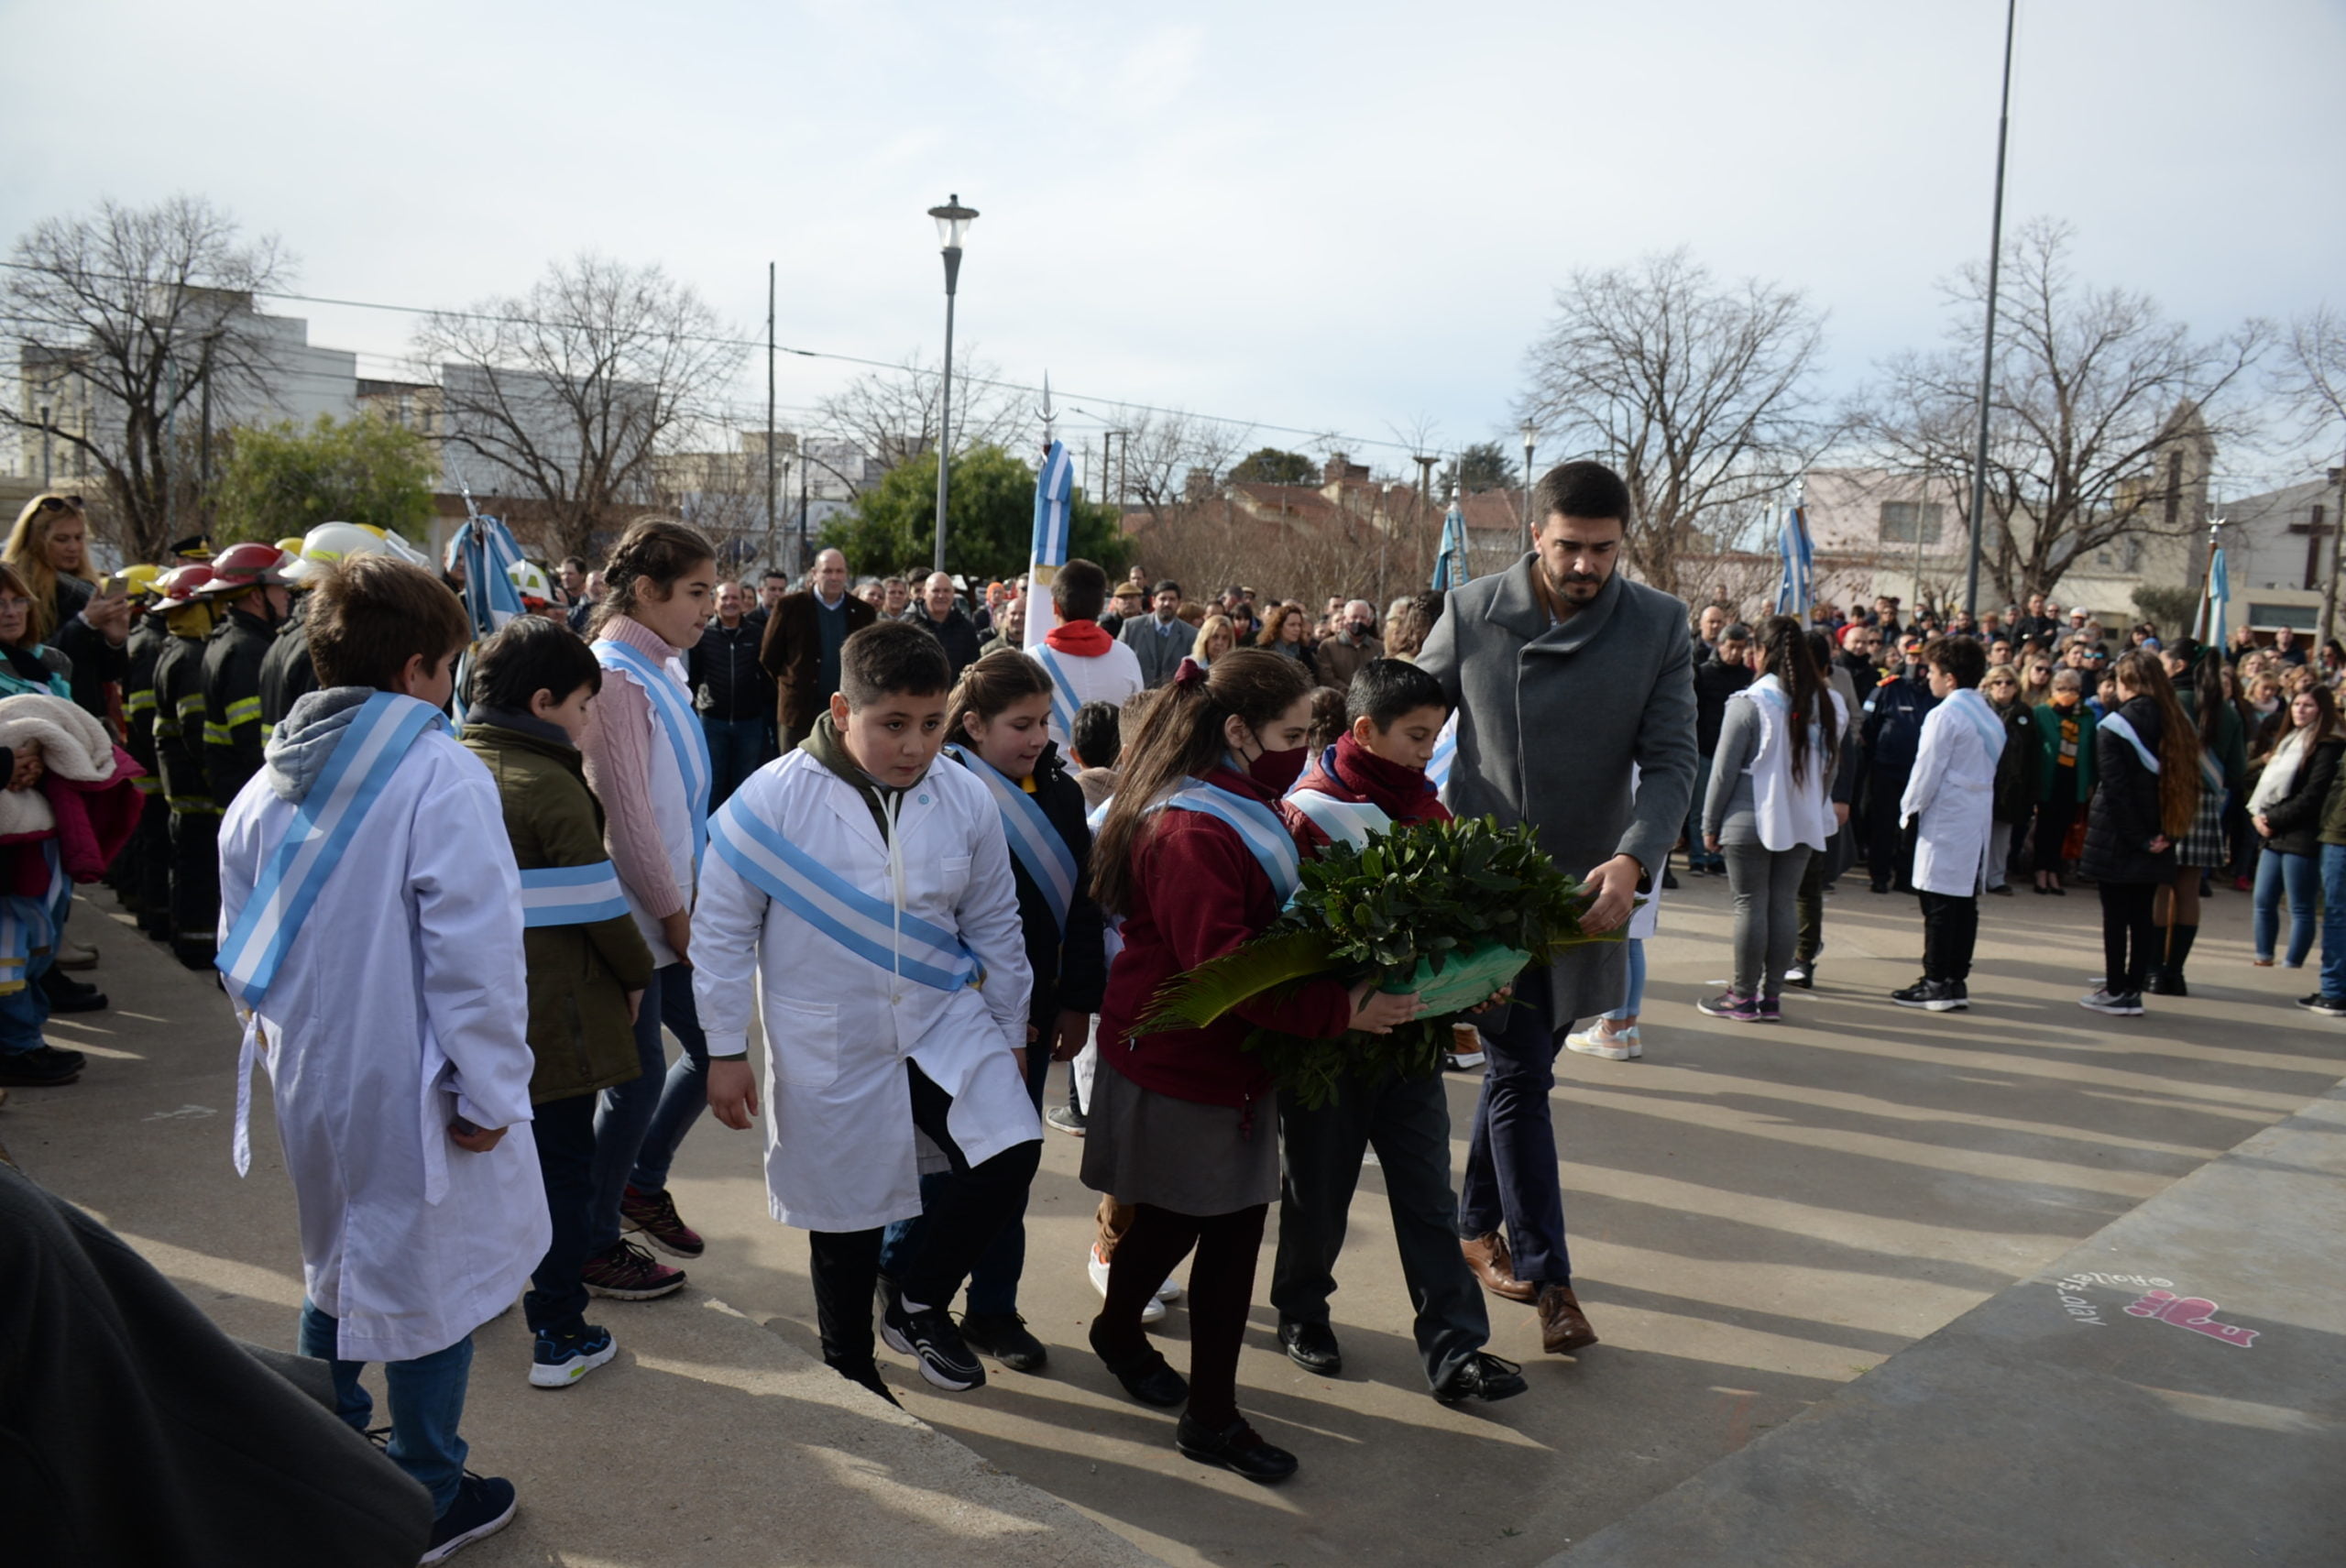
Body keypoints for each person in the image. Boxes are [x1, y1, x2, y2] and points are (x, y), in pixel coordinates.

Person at [215, 554, 542, 1561]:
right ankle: (426, 1492)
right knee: (423, 1284)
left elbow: (239, 950)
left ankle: (322, 1452)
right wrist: (491, 1086)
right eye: (448, 669)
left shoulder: (266, 779)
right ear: (415, 672)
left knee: (340, 1262)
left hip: (314, 1073)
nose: (449, 690)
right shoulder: (438, 771)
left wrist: (287, 1047)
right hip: (419, 1085)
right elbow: (478, 956)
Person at [699, 622, 1041, 1402]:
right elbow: (720, 933)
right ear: (842, 708)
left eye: (932, 723)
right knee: (846, 1213)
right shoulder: (771, 800)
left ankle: (918, 1301)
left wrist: (1009, 1027)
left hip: (940, 1020)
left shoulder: (964, 797)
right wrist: (724, 1048)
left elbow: (995, 922)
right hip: (832, 1033)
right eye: (893, 723)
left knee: (1009, 1149)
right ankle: (850, 1367)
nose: (916, 745)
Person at [1085, 650, 1400, 1483]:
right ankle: (1206, 1410)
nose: (1302, 751)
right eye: (1291, 735)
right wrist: (1343, 1011)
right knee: (1208, 1224)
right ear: (1236, 731)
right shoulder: (1190, 826)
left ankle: (1144, 1352)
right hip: (1184, 1056)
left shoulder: (1242, 795)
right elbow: (1221, 971)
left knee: (1210, 1222)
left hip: (1230, 1056)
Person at [1417, 460, 1695, 1356]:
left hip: (1587, 890)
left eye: (1603, 550)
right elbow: (1403, 728)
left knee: (1521, 1066)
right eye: (1568, 546)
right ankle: (1550, 1278)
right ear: (1534, 533)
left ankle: (1471, 1221)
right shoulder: (1469, 612)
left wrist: (1635, 853)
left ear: (1624, 542)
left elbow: (1672, 761)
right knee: (1519, 1074)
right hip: (1486, 884)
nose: (1584, 565)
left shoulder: (1658, 625)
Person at [1269, 659, 1527, 1406]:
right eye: (1415, 735)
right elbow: (1287, 946)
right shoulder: (1308, 814)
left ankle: (1456, 1349)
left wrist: (1480, 974)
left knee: (1426, 1197)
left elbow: (1452, 926)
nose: (1426, 749)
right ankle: (1301, 1311)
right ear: (1362, 731)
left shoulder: (1428, 808)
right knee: (1318, 1192)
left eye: (1435, 735)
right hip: (1331, 1044)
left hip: (1412, 1041)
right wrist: (1347, 1001)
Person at [874, 651, 1106, 1374]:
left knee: (1010, 1160)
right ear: (972, 726)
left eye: (1044, 722)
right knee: (941, 1162)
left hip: (1029, 1015)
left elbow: (1084, 908)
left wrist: (1076, 998)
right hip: (945, 1013)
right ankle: (907, 1279)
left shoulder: (1062, 796)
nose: (1037, 736)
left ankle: (993, 1306)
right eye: (1020, 724)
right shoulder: (932, 793)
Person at [459, 618, 656, 1391]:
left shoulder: (456, 766)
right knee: (564, 1173)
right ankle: (561, 1329)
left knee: (493, 1164)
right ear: (543, 703)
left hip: (481, 1013)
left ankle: (486, 1297)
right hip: (556, 1018)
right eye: (581, 708)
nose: (586, 723)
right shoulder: (547, 786)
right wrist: (639, 972)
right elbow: (599, 907)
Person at [579, 521, 719, 1303]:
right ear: (646, 591)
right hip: (635, 922)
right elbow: (627, 819)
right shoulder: (613, 676)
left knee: (714, 1048)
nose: (711, 604)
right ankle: (595, 1241)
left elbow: (675, 803)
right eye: (696, 591)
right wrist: (675, 917)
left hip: (674, 911)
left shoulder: (659, 664)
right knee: (632, 1084)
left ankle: (639, 1182)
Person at [1698, 617, 1845, 1021]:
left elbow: (1723, 772)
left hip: (1749, 816)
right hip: (1801, 819)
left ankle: (1743, 996)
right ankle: (1772, 996)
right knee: (1782, 905)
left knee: (1750, 905)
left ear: (1762, 653)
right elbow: (1831, 770)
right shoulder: (1828, 704)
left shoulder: (1750, 702)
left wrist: (1709, 824)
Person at [2079, 651, 2199, 1016]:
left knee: (2116, 917)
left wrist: (2139, 839)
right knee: (2144, 916)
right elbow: (2186, 785)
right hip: (2162, 832)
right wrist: (2165, 835)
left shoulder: (2115, 725)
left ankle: (2117, 989)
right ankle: (2134, 988)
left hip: (2120, 838)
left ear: (2126, 682)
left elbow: (2116, 791)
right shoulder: (2178, 722)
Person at [1888, 637, 2003, 1012]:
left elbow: (1927, 772)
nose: (1928, 677)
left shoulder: (1944, 715)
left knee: (1938, 902)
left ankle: (1935, 980)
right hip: (1975, 815)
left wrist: (1907, 812)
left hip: (1947, 816)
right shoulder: (1988, 713)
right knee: (1963, 902)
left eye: (1933, 671)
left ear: (1950, 678)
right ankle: (1955, 980)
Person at [5, 492, 129, 724]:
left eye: (79, 538)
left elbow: (105, 673)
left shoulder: (85, 589)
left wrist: (116, 641)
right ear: (36, 541)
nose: (74, 547)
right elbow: (30, 660)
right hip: (45, 719)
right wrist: (84, 624)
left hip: (89, 718)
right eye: (62, 539)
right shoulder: (18, 592)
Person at [195, 543, 296, 814]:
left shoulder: (226, 639)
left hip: (231, 790)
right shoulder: (247, 651)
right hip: (248, 796)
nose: (287, 595)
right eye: (279, 587)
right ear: (256, 596)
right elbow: (253, 743)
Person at [2246, 685, 2341, 970]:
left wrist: (2272, 820)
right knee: (2263, 899)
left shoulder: (2328, 745)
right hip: (2272, 832)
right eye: (2297, 704)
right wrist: (2258, 816)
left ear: (2322, 711)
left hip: (2302, 834)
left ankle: (2292, 965)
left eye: (2308, 705)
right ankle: (2264, 957)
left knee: (2300, 906)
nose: (2300, 710)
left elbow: (2313, 796)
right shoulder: (2287, 741)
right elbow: (2264, 786)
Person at [759, 547, 878, 753]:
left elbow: (871, 659)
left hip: (846, 713)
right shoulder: (789, 606)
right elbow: (769, 657)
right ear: (814, 573)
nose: (834, 577)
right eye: (827, 571)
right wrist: (793, 684)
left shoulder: (863, 612)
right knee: (796, 775)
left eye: (839, 571)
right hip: (798, 712)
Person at [1028, 558, 1145, 754]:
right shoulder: (1126, 656)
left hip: (1052, 779)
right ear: (1101, 607)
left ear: (1055, 606)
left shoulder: (1031, 662)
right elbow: (1138, 722)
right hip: (1114, 779)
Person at [689, 580, 775, 807]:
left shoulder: (757, 634)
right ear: (715, 603)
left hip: (749, 722)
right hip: (712, 720)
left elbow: (767, 675)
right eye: (724, 598)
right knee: (712, 781)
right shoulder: (703, 635)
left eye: (735, 598)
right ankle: (710, 837)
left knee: (745, 782)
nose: (730, 603)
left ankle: (739, 836)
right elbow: (694, 676)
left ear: (743, 601)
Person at [1859, 648, 1937, 894]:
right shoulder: (1888, 688)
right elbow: (1868, 726)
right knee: (1883, 823)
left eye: (1923, 659)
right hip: (1887, 768)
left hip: (1920, 772)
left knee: (1913, 827)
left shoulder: (1935, 694)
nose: (1918, 663)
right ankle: (1879, 876)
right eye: (1913, 658)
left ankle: (1906, 877)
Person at [1685, 621, 1755, 877]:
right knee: (1699, 808)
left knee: (1725, 807)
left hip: (1735, 754)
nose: (1734, 652)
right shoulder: (1703, 674)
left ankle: (1716, 857)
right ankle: (1697, 856)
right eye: (1730, 647)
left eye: (1740, 647)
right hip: (1705, 748)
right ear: (1721, 645)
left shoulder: (1748, 679)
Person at [1982, 663, 2040, 894]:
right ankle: (1974, 876)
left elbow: (2032, 752)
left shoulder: (2024, 712)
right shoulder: (1981, 709)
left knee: (2002, 833)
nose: (2003, 687)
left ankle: (1995, 878)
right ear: (1989, 685)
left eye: (2009, 682)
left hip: (2011, 784)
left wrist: (2031, 788)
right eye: (1998, 682)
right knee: (1977, 832)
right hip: (1983, 779)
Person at [906, 570, 984, 678]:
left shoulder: (966, 628)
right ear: (924, 593)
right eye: (935, 590)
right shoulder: (908, 626)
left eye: (946, 591)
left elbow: (973, 669)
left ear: (953, 593)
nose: (941, 595)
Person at [1120, 579, 1192, 688]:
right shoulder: (1131, 627)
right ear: (1153, 601)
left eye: (1172, 599)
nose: (1167, 603)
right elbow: (1119, 663)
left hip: (1173, 701)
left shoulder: (1191, 635)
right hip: (1136, 699)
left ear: (1179, 603)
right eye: (1163, 599)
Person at [1316, 599, 1385, 689]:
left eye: (1363, 618)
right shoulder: (1328, 646)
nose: (1358, 621)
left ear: (1369, 621)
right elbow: (1327, 679)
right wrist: (1351, 693)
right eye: (1354, 617)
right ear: (1344, 619)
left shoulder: (1379, 647)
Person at [977, 594, 1027, 662]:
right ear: (1006, 616)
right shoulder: (990, 650)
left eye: (1022, 614)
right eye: (1013, 613)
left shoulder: (1037, 648)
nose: (1017, 618)